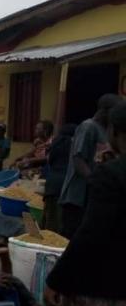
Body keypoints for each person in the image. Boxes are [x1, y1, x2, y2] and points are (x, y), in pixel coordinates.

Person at [42, 101, 126, 306]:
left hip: (104, 285)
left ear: (114, 132)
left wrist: (56, 279)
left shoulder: (111, 175)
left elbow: (90, 235)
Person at [59, 94, 120, 238]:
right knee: (71, 236)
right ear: (105, 110)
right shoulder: (88, 127)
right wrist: (93, 180)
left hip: (91, 196)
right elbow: (78, 159)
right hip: (77, 197)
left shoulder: (106, 131)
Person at [43, 124, 76, 233]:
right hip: (64, 187)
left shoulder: (56, 144)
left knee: (50, 223)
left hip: (51, 185)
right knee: (60, 225)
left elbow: (50, 162)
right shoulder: (73, 146)